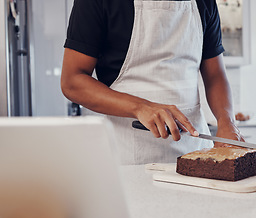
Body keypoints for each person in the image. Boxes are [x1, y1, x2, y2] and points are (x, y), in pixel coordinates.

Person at [61, 0, 244, 165]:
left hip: (195, 150)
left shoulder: (205, 2)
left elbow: (215, 76)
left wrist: (227, 122)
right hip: (129, 157)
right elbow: (72, 81)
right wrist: (141, 107)